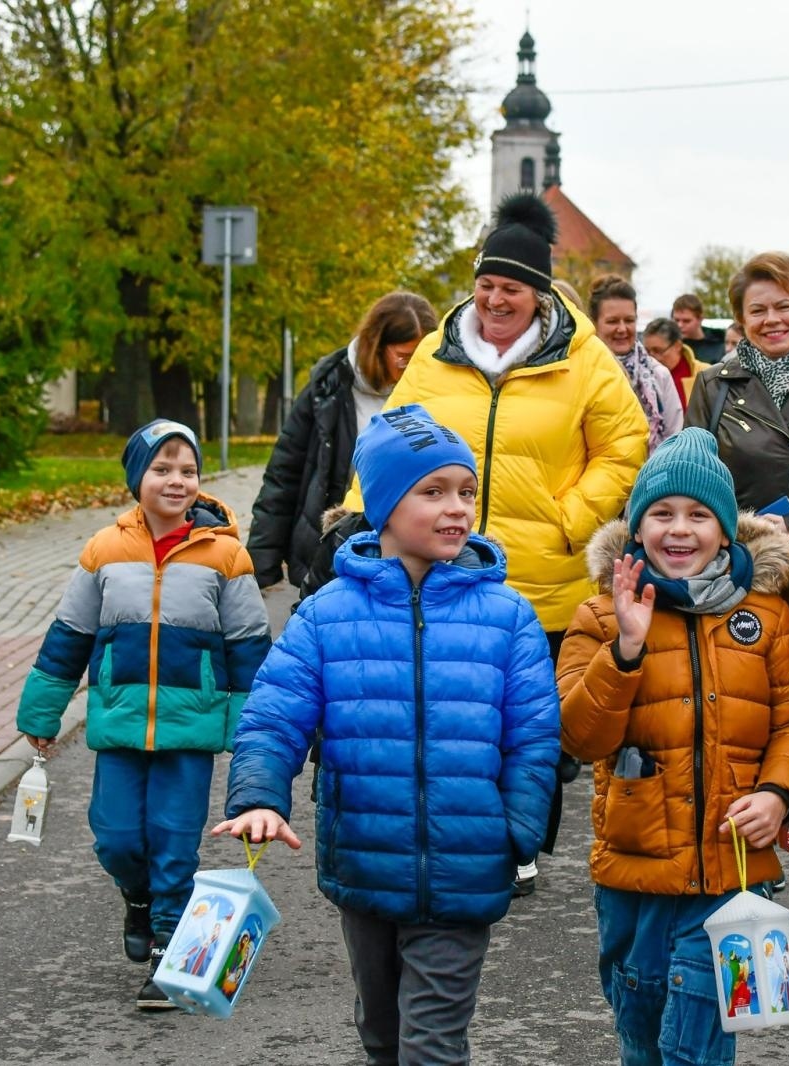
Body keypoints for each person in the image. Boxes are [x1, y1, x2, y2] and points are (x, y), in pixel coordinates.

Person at [216, 405, 560, 1064]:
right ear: (383, 508)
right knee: (382, 1035)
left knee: (432, 1043)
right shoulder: (326, 615)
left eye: (467, 492)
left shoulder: (508, 615)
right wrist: (259, 795)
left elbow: (534, 735)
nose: (456, 508)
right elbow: (273, 713)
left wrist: (514, 830)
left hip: (466, 864)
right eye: (433, 491)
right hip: (365, 857)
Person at [341, 192, 648, 895]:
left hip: (545, 574)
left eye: (511, 287)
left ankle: (522, 838)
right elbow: (389, 441)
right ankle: (467, 835)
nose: (494, 300)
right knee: (457, 708)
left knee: (531, 718)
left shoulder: (583, 358)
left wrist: (570, 518)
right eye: (485, 285)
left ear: (539, 293)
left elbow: (624, 444)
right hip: (444, 564)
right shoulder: (437, 352)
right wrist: (363, 514)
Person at [557, 427, 789, 1066]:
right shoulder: (599, 616)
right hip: (634, 870)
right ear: (637, 527)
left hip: (732, 868)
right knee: (640, 1033)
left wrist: (778, 794)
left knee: (696, 1046)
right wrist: (626, 650)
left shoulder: (766, 615)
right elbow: (579, 736)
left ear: (726, 531)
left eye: (699, 515)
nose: (679, 529)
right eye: (661, 513)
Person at [15, 418, 271, 1010]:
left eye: (188, 470)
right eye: (162, 468)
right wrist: (42, 713)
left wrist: (252, 729)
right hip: (121, 722)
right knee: (117, 838)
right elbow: (69, 636)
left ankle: (166, 952)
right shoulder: (104, 550)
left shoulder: (226, 556)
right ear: (137, 478)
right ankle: (138, 899)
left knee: (175, 842)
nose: (176, 480)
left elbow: (249, 647)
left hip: (190, 727)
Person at [246, 292, 437, 591]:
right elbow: (285, 473)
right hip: (333, 546)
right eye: (404, 357)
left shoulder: (438, 390)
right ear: (377, 345)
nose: (412, 368)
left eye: (421, 358)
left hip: (411, 551)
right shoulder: (328, 387)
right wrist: (261, 561)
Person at [685, 252, 789, 517]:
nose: (771, 319)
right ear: (742, 319)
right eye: (757, 310)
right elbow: (690, 479)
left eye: (784, 307)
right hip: (735, 541)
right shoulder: (713, 386)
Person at [590, 274, 682, 453]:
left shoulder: (659, 374)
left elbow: (675, 438)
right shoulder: (583, 372)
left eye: (629, 320)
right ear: (594, 323)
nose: (622, 329)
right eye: (612, 321)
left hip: (653, 468)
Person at [641, 316, 710, 414]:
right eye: (647, 351)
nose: (651, 357)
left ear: (677, 346)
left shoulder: (706, 374)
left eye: (658, 351)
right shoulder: (640, 376)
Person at [672, 292, 726, 364]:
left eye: (686, 321)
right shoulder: (669, 346)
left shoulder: (721, 345)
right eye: (676, 320)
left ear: (700, 319)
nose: (680, 325)